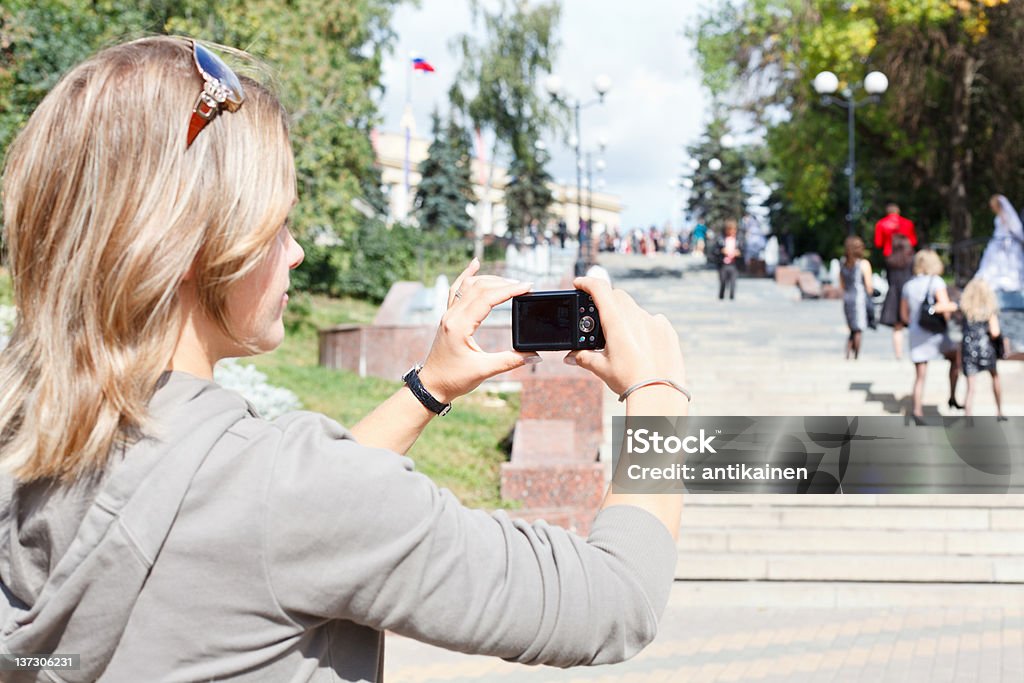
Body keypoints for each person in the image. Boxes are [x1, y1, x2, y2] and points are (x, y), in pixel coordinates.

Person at [0, 37, 689, 681]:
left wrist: (428, 387)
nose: (295, 251)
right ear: (185, 249)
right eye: (275, 226)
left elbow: (263, 513)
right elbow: (616, 599)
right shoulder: (290, 497)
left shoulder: (25, 434)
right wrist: (659, 392)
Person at [900, 250, 961, 422]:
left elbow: (904, 316)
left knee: (920, 375)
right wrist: (955, 306)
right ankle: (953, 395)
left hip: (916, 332)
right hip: (936, 333)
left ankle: (917, 411)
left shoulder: (908, 285)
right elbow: (944, 308)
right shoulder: (936, 282)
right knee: (956, 358)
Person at [959, 279, 1008, 420]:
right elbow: (995, 332)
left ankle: (968, 418)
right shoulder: (989, 310)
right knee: (995, 377)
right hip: (986, 349)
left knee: (970, 388)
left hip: (968, 350)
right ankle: (999, 411)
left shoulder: (966, 310)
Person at [976, 194, 1024, 293]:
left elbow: (1015, 230)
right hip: (997, 243)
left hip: (1005, 245)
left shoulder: (1007, 216)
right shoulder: (1000, 216)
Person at [880, 233, 915, 360]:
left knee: (897, 327)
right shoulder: (911, 260)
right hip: (909, 294)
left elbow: (888, 279)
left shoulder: (889, 260)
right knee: (913, 324)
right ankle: (914, 351)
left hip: (894, 294)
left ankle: (898, 354)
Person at [839, 236, 874, 360]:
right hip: (859, 298)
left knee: (852, 329)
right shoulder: (863, 264)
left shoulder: (843, 264)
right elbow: (869, 287)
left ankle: (848, 353)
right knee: (858, 329)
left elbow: (842, 285)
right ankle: (856, 356)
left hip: (847, 298)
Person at [714, 219, 741, 300]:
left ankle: (732, 297)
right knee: (723, 281)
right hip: (723, 264)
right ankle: (721, 296)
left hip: (734, 264)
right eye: (730, 229)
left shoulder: (739, 240)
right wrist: (721, 251)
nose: (732, 231)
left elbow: (744, 250)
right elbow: (714, 251)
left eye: (734, 229)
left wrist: (739, 253)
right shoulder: (721, 239)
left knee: (733, 282)